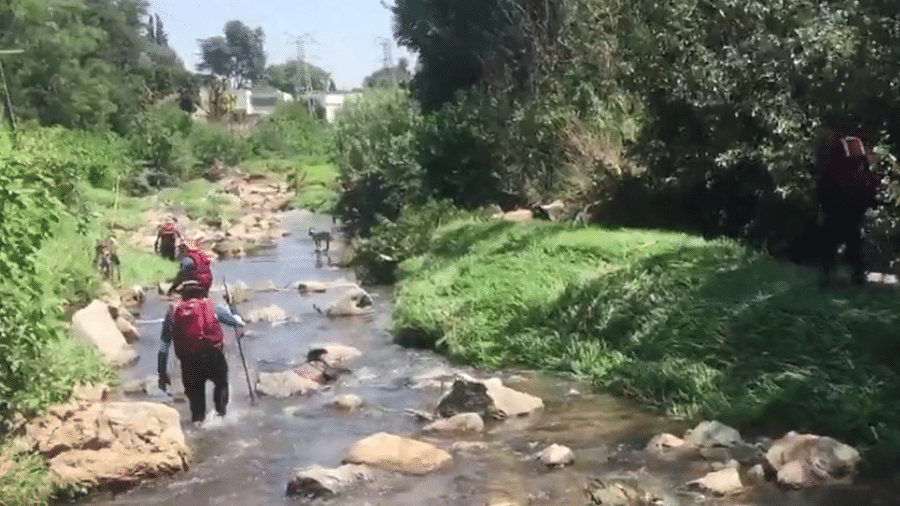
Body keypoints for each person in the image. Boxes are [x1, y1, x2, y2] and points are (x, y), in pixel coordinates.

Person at [157, 280, 246, 423]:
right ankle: (221, 416)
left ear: (183, 295)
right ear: (203, 293)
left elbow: (164, 346)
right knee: (221, 384)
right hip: (213, 357)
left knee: (196, 402)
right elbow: (239, 323)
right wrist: (233, 308)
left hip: (189, 362)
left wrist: (162, 371)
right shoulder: (213, 307)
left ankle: (198, 425)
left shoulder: (173, 312)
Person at [812, 114, 881, 288]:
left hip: (849, 201)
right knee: (830, 241)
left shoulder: (849, 145)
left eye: (828, 129)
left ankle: (855, 278)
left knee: (852, 241)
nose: (825, 132)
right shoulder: (826, 148)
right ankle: (829, 277)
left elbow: (860, 169)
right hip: (833, 202)